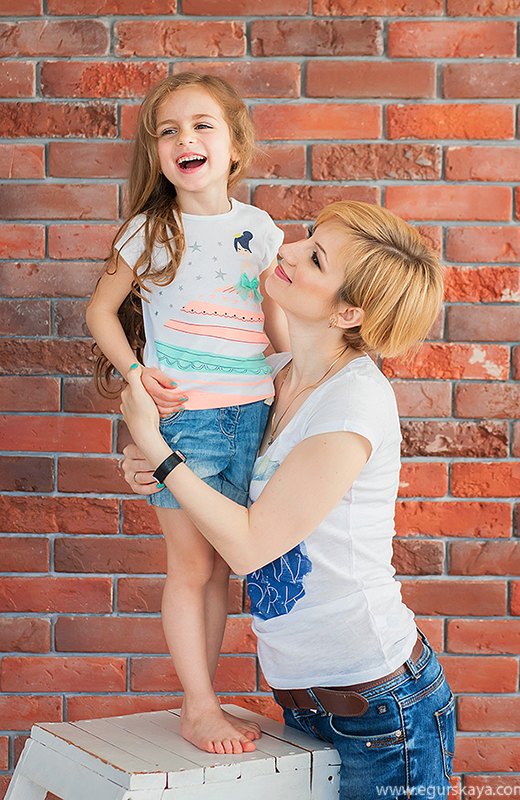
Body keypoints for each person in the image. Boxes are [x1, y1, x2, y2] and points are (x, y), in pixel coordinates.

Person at [119, 201, 456, 799]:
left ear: (348, 312)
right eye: (306, 237)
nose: (289, 250)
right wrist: (149, 465)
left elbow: (250, 546)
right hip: (305, 706)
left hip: (385, 712)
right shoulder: (267, 378)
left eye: (316, 258)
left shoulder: (353, 403)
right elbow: (202, 475)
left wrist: (158, 451)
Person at [86, 72, 287, 755]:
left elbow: (273, 325)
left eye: (202, 125)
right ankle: (198, 707)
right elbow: (100, 311)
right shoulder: (149, 230)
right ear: (157, 153)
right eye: (167, 131)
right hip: (187, 421)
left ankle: (204, 699)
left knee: (223, 570)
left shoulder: (259, 230)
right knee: (191, 569)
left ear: (236, 146)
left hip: (253, 418)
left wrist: (292, 382)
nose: (184, 139)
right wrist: (137, 375)